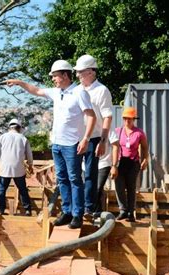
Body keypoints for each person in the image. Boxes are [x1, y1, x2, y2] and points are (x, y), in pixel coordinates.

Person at [6, 59, 96, 228]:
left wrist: (86, 139)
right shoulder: (57, 92)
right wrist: (19, 83)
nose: (53, 79)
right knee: (61, 178)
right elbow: (37, 90)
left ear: (65, 75)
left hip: (72, 144)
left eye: (55, 76)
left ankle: (78, 214)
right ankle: (67, 211)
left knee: (75, 178)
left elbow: (91, 116)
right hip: (57, 144)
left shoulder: (79, 92)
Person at [74, 55, 113, 217]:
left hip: (94, 137)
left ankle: (88, 207)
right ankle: (76, 206)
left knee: (90, 174)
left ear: (91, 72)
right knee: (74, 173)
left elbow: (107, 117)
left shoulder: (101, 91)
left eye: (81, 72)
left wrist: (103, 141)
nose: (77, 75)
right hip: (75, 137)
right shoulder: (76, 90)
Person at [0, 118, 34, 216]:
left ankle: (1, 209)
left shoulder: (3, 137)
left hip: (5, 168)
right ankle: (28, 210)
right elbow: (29, 154)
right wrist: (30, 165)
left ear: (9, 127)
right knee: (23, 189)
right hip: (18, 168)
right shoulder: (23, 138)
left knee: (2, 189)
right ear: (18, 128)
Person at [114, 107, 148, 222]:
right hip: (120, 162)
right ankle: (123, 210)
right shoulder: (118, 131)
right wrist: (112, 165)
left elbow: (144, 147)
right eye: (125, 118)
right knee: (119, 186)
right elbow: (113, 147)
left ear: (134, 119)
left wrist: (145, 159)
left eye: (130, 119)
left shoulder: (139, 133)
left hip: (133, 163)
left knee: (131, 187)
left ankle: (130, 213)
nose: (127, 121)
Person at [93, 130, 119, 218]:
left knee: (97, 188)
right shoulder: (86, 125)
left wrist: (114, 165)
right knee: (90, 188)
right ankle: (98, 212)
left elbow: (115, 146)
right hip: (87, 164)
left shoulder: (109, 129)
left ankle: (95, 212)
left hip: (104, 163)